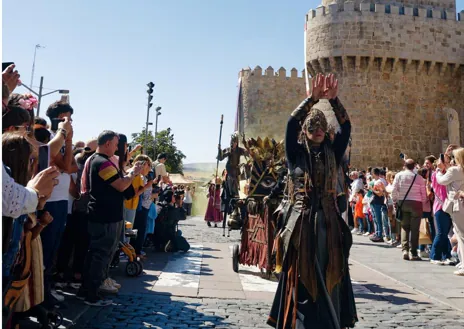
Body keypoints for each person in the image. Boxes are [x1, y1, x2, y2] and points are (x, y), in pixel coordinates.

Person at [268, 73, 357, 329]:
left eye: (322, 127)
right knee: (302, 274)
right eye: (312, 127)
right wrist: (311, 99)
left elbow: (347, 127)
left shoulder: (334, 151)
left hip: (329, 221)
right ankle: (300, 321)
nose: (318, 131)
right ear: (305, 131)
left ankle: (331, 320)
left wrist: (333, 101)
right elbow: (290, 124)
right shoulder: (295, 154)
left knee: (332, 270)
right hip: (301, 222)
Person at [77, 131, 143, 306]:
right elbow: (121, 185)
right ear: (107, 143)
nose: (117, 148)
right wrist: (132, 174)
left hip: (105, 215)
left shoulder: (101, 161)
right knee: (101, 255)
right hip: (104, 216)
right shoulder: (102, 162)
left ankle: (88, 291)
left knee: (99, 254)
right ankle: (91, 294)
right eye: (115, 144)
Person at [391, 159, 427, 261]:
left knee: (404, 227)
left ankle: (405, 250)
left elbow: (394, 190)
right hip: (416, 203)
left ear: (404, 165)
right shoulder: (419, 178)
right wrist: (423, 203)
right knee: (415, 229)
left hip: (403, 202)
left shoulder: (399, 175)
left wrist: (395, 201)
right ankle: (414, 253)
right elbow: (423, 193)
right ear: (414, 166)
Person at [436, 148, 464, 275]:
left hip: (459, 205)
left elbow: (442, 181)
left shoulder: (455, 170)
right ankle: (461, 261)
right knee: (459, 234)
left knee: (461, 235)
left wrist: (438, 170)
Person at [217, 133, 248, 199]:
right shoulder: (228, 150)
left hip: (236, 172)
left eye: (233, 142)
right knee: (230, 189)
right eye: (231, 142)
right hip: (229, 172)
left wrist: (245, 144)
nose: (232, 143)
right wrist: (219, 150)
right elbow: (221, 157)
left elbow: (247, 152)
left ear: (236, 143)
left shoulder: (239, 150)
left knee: (237, 189)